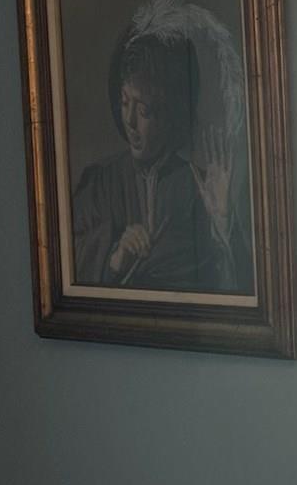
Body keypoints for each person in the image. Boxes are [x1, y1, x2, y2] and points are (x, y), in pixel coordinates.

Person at [70, 20, 252, 293]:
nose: (130, 121)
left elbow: (238, 288)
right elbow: (61, 260)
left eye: (144, 111)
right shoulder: (100, 183)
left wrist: (223, 221)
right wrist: (114, 258)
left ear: (170, 116)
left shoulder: (198, 188)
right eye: (125, 102)